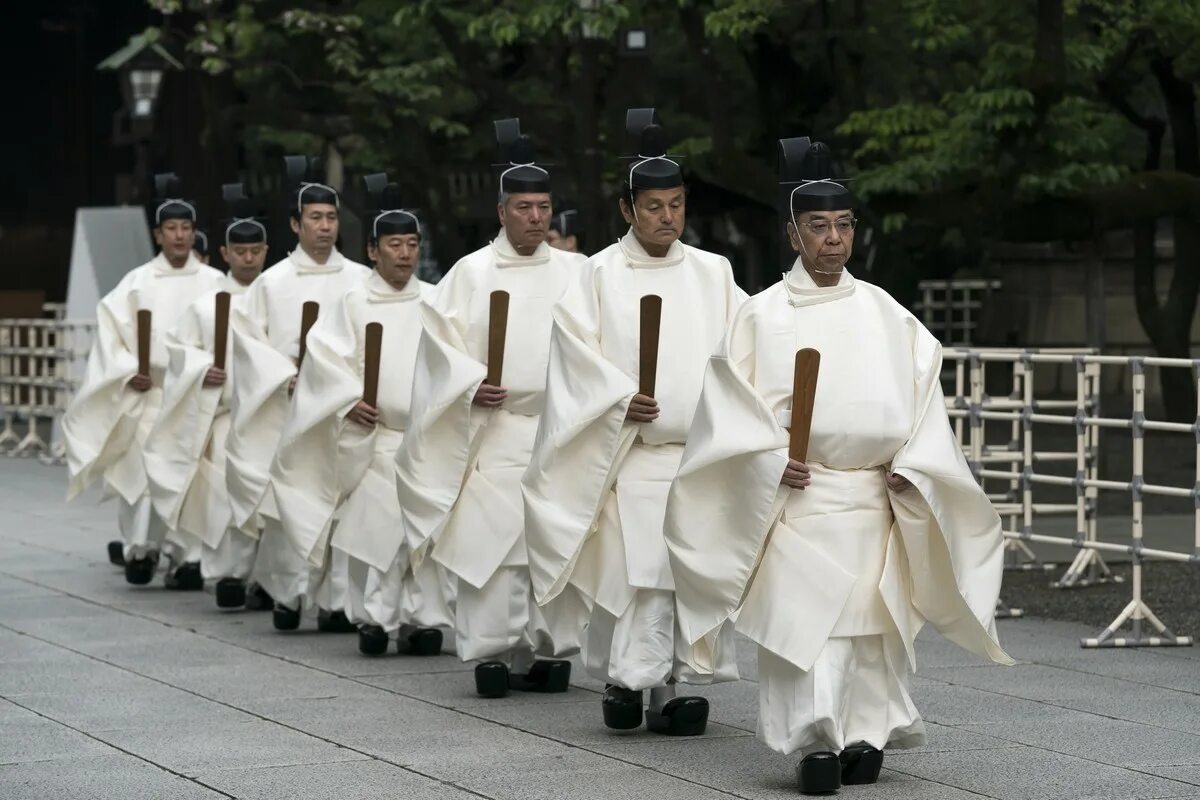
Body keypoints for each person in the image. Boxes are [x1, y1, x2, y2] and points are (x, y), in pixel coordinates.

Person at [663, 137, 1012, 794]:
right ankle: (813, 741)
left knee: (871, 632)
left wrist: (915, 462)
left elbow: (924, 402)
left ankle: (866, 733)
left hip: (874, 497)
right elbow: (726, 412)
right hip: (800, 498)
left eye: (844, 225)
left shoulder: (888, 314)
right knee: (808, 630)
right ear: (792, 232)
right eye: (818, 226)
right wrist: (767, 460)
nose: (833, 239)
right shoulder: (759, 316)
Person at [522, 109, 745, 736]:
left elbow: (744, 353)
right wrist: (618, 400)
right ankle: (626, 679)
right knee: (636, 573)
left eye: (675, 204)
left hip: (696, 454)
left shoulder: (715, 273)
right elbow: (572, 358)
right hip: (628, 456)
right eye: (653, 206)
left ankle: (676, 686)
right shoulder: (595, 275)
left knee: (687, 571)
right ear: (628, 210)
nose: (667, 217)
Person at [394, 119, 588, 697]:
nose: (535, 218)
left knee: (548, 539)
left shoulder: (578, 272)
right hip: (495, 427)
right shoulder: (469, 274)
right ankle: (492, 651)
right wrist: (468, 384)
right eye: (524, 207)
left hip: (557, 426)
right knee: (493, 542)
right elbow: (436, 352)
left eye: (544, 207)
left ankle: (547, 648)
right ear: (501, 211)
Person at [271, 174, 453, 656]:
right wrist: (349, 398)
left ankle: (420, 617)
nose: (405, 254)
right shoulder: (352, 303)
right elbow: (323, 360)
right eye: (394, 245)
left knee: (422, 531)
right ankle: (375, 616)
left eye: (412, 244)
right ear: (373, 251)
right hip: (372, 435)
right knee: (377, 528)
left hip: (422, 436)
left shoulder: (436, 300)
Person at [225, 156, 371, 632]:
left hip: (343, 410)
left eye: (331, 217)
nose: (325, 227)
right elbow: (247, 344)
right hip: (289, 406)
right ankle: (287, 593)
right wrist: (281, 374)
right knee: (292, 497)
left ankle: (335, 601)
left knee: (344, 501)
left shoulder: (360, 280)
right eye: (315, 218)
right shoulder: (271, 283)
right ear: (295, 223)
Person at [64, 173, 225, 586]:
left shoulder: (214, 283)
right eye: (171, 229)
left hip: (195, 394)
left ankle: (187, 556)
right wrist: (124, 372)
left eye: (186, 229)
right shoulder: (137, 282)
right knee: (145, 475)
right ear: (158, 234)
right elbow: (109, 332)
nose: (179, 236)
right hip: (151, 389)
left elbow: (233, 333)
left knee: (192, 475)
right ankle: (141, 550)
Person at [143, 185, 272, 610]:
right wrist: (201, 369)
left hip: (271, 413)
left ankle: (265, 577)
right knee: (222, 497)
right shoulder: (207, 304)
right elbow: (179, 350)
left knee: (268, 497)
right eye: (241, 251)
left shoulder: (275, 295)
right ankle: (226, 574)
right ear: (225, 252)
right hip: (223, 413)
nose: (248, 258)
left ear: (265, 252)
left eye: (256, 251)